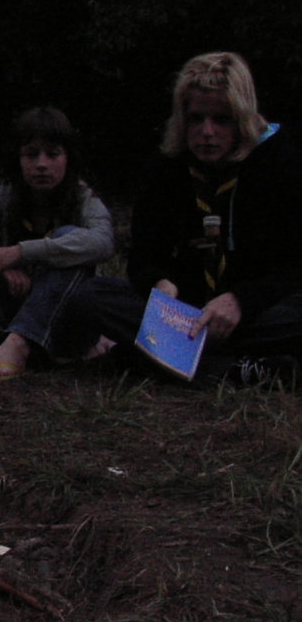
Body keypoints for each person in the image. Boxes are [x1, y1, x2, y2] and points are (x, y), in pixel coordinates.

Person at [62, 51, 302, 388]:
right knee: (89, 296)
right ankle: (236, 371)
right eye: (196, 119)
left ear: (242, 117)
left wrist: (240, 301)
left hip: (254, 312)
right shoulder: (166, 166)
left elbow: (292, 264)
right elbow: (145, 255)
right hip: (182, 316)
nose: (207, 132)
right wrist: (160, 283)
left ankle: (154, 361)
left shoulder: (279, 162)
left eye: (221, 120)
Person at [0, 107, 114, 379]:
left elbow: (102, 242)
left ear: (68, 158)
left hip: (62, 323)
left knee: (69, 236)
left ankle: (19, 345)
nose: (41, 164)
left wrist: (23, 252)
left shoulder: (84, 200)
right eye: (31, 154)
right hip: (13, 309)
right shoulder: (8, 196)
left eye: (52, 154)